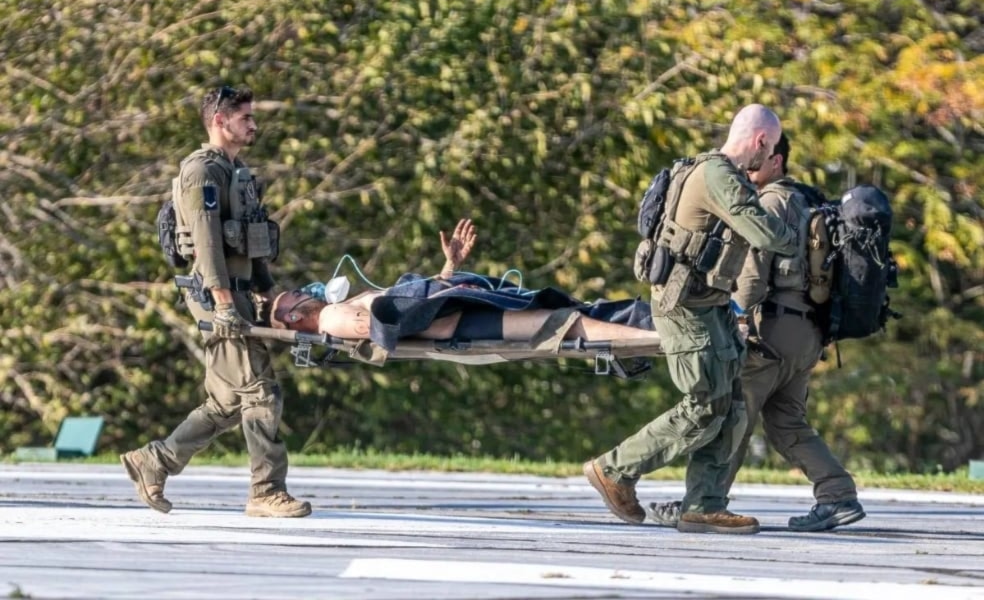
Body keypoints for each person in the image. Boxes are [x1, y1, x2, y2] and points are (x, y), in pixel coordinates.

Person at [583, 104, 798, 534]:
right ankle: (615, 469)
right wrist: (795, 233)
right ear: (760, 142)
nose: (768, 159)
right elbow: (766, 234)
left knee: (730, 400)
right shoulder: (718, 175)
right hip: (685, 309)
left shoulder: (707, 170)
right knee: (703, 404)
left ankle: (704, 503)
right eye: (770, 148)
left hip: (709, 304)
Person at [648, 134, 866, 532]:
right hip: (808, 333)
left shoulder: (771, 203)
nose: (748, 170)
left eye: (757, 162)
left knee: (733, 411)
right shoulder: (809, 199)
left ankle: (701, 503)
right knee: (787, 423)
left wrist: (732, 316)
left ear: (776, 162)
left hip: (774, 329)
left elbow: (751, 277)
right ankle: (838, 496)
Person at [121, 85, 311, 518]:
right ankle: (266, 491)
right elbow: (206, 244)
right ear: (219, 121)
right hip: (215, 294)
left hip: (239, 293)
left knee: (227, 403)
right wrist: (224, 302)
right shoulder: (202, 172)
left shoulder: (237, 172)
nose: (254, 125)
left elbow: (252, 241)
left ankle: (154, 460)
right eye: (246, 118)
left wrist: (267, 293)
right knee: (260, 392)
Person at [270, 218, 660, 345]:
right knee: (565, 324)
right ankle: (656, 337)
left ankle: (655, 321)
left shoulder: (338, 307)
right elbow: (389, 327)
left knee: (570, 312)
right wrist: (445, 301)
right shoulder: (332, 319)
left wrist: (448, 270)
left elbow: (409, 307)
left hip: (455, 307)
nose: (306, 291)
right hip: (462, 322)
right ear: (291, 318)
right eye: (297, 296)